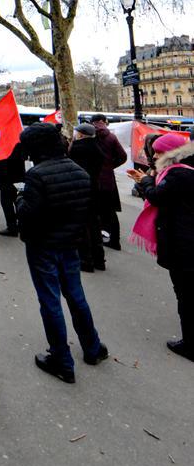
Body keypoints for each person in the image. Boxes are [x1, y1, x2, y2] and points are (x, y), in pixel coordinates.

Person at [17, 122, 108, 383]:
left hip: (43, 245)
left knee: (50, 301)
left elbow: (28, 214)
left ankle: (61, 358)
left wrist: (19, 198)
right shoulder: (79, 172)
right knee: (76, 296)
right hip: (70, 243)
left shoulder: (37, 175)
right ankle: (92, 346)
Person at [129, 132, 194, 361]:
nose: (154, 155)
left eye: (158, 151)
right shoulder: (186, 168)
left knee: (185, 294)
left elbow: (157, 196)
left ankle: (190, 344)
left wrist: (144, 181)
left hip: (184, 242)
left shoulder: (176, 174)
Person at [68, 123, 105, 272]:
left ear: (81, 134)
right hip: (95, 189)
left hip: (79, 191)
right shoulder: (97, 147)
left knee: (82, 227)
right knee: (94, 225)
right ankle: (99, 259)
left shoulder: (77, 149)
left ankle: (86, 260)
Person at [91, 114, 127, 250]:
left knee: (94, 210)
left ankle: (98, 237)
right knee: (110, 211)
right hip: (107, 179)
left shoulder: (88, 136)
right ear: (104, 122)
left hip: (92, 177)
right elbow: (123, 156)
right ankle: (114, 241)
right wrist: (110, 166)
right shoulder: (111, 137)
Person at [0, 142, 25, 237]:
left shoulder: (1, 142)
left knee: (6, 201)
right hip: (19, 174)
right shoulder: (17, 140)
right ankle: (21, 225)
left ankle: (12, 227)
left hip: (6, 175)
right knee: (18, 199)